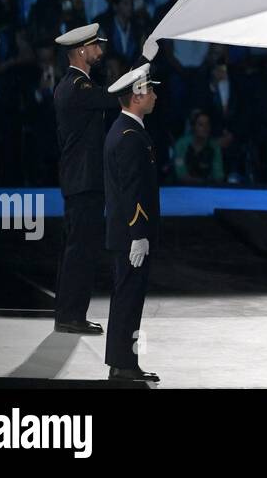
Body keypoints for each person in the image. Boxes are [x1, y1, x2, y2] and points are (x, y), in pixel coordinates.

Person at [52, 23, 115, 335]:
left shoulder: (71, 84)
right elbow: (113, 97)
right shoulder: (79, 86)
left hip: (79, 179)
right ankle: (70, 316)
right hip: (84, 180)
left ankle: (68, 314)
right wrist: (143, 64)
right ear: (80, 51)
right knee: (81, 251)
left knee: (76, 249)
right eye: (95, 46)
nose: (99, 51)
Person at [103, 62, 162, 382]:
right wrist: (139, 233)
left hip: (126, 232)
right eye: (149, 89)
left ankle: (124, 361)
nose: (154, 95)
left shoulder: (128, 130)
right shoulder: (128, 136)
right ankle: (124, 364)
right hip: (131, 234)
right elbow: (132, 190)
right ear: (136, 95)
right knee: (128, 299)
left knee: (128, 298)